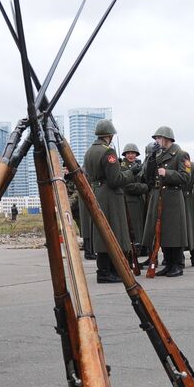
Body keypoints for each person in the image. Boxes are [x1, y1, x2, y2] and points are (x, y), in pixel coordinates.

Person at [82, 118, 133, 283]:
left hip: (96, 192)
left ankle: (105, 270)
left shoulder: (89, 151)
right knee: (113, 232)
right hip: (110, 196)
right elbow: (115, 180)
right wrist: (130, 173)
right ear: (110, 135)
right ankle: (106, 272)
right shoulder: (108, 152)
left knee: (101, 234)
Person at [141, 126, 192, 276]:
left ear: (167, 138)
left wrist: (168, 173)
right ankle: (168, 263)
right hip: (159, 196)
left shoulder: (181, 154)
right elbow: (147, 176)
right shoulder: (158, 155)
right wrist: (150, 157)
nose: (156, 141)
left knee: (174, 232)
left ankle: (177, 264)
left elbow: (185, 177)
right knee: (162, 232)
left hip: (173, 197)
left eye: (158, 138)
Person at [121, 142, 149, 256]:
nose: (131, 155)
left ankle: (141, 248)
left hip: (139, 201)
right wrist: (144, 187)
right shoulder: (122, 167)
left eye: (133, 153)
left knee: (140, 226)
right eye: (128, 153)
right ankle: (133, 250)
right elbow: (126, 186)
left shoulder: (139, 166)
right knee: (133, 227)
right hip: (129, 201)